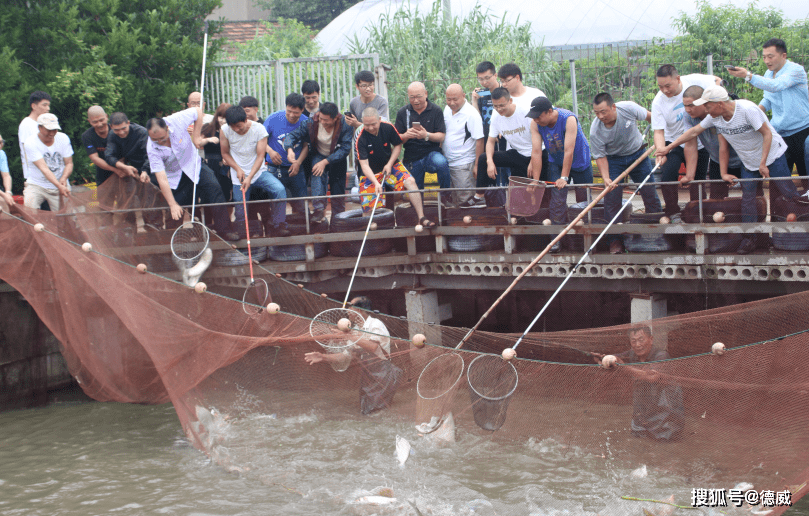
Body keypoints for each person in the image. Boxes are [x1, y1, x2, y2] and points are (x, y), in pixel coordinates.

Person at [658, 85, 800, 255]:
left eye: (708, 105)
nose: (706, 109)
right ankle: (750, 239)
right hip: (748, 161)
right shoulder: (714, 117)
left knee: (788, 193)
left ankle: (800, 232)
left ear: (719, 104)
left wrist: (763, 163)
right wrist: (669, 147)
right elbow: (694, 132)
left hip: (772, 155)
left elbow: (767, 134)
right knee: (748, 200)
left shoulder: (747, 109)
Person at [146, 107, 238, 240]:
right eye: (155, 140)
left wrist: (196, 136)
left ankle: (224, 230)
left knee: (214, 188)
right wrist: (172, 204)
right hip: (174, 175)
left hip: (193, 164)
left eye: (162, 138)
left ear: (167, 128)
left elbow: (197, 111)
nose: (160, 142)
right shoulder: (151, 148)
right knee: (176, 207)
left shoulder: (176, 120)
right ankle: (174, 239)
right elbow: (162, 178)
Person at [727, 38, 809, 187]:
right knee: (778, 180)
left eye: (770, 56)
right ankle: (782, 209)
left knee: (805, 177)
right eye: (764, 57)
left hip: (801, 130)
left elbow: (777, 86)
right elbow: (768, 99)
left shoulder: (795, 70)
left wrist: (748, 76)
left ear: (783, 55)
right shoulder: (768, 73)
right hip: (780, 133)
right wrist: (752, 115)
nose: (766, 60)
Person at [304, 296, 402, 415]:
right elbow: (346, 356)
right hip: (367, 376)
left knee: (377, 413)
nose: (347, 310)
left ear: (359, 310)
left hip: (383, 374)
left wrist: (347, 336)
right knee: (366, 412)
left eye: (350, 306)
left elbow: (373, 347)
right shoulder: (355, 330)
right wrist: (323, 357)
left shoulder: (375, 325)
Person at [590, 92, 661, 254]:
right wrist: (607, 178)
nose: (600, 116)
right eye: (596, 113)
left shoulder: (628, 108)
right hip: (614, 160)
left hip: (638, 155)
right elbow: (600, 157)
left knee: (649, 191)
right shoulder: (596, 130)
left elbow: (652, 118)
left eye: (603, 111)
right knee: (612, 199)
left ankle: (657, 232)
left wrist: (661, 137)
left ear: (613, 107)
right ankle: (615, 241)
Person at [593, 326, 684, 441]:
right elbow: (616, 357)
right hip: (643, 410)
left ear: (651, 339)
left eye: (641, 340)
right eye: (633, 341)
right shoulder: (632, 354)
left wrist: (622, 366)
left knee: (664, 442)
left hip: (665, 410)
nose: (637, 345)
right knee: (638, 441)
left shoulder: (661, 356)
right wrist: (602, 358)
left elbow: (652, 377)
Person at [652, 65, 718, 220]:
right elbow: (659, 131)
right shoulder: (658, 102)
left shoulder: (695, 80)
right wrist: (661, 151)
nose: (665, 90)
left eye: (668, 86)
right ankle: (672, 212)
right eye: (660, 87)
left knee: (697, 179)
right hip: (672, 142)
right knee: (668, 175)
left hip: (699, 141)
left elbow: (716, 81)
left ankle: (698, 213)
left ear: (678, 79)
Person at [528, 96, 593, 248]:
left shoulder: (568, 119)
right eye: (534, 117)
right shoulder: (535, 124)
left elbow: (569, 151)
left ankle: (585, 240)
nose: (536, 120)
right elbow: (536, 152)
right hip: (555, 161)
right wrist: (536, 180)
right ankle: (556, 240)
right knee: (557, 201)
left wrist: (564, 177)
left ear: (549, 111)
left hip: (579, 161)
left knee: (583, 201)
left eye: (539, 116)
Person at [356, 107, 435, 228]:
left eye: (373, 124)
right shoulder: (361, 138)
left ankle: (421, 217)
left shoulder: (388, 127)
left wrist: (389, 164)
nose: (370, 128)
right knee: (368, 209)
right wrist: (376, 182)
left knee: (410, 181)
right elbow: (364, 166)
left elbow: (398, 145)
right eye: (367, 125)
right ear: (362, 122)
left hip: (391, 165)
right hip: (370, 173)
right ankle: (368, 227)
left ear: (380, 119)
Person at [221, 105, 288, 237]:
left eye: (239, 126)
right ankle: (242, 232)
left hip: (258, 172)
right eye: (232, 127)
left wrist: (250, 177)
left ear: (245, 120)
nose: (236, 130)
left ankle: (278, 224)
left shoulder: (259, 129)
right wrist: (237, 169)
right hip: (238, 176)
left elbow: (260, 156)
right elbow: (225, 153)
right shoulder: (225, 130)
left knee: (279, 190)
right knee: (240, 208)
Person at [461, 87, 534, 209]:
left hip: (536, 155)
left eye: (502, 105)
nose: (499, 109)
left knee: (527, 196)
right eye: (496, 106)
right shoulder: (495, 115)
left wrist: (533, 161)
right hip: (517, 154)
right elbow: (489, 141)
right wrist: (490, 162)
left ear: (510, 101)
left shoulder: (525, 113)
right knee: (484, 158)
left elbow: (539, 143)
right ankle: (479, 196)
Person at [681, 86, 756, 200]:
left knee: (752, 196)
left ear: (704, 103)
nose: (687, 109)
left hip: (743, 159)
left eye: (691, 105)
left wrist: (724, 173)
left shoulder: (718, 114)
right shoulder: (688, 116)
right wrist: (689, 176)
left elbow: (723, 147)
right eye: (685, 105)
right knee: (716, 199)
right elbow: (690, 144)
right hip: (717, 161)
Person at [284, 102, 352, 221]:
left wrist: (326, 162)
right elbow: (292, 136)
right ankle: (319, 210)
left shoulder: (345, 124)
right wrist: (289, 149)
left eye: (326, 120)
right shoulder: (311, 122)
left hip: (337, 158)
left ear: (336, 118)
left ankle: (338, 223)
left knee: (338, 191)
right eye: (321, 118)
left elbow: (345, 149)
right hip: (319, 154)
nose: (322, 122)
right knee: (316, 172)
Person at [394, 82, 452, 206]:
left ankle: (445, 196)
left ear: (426, 94)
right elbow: (396, 139)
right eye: (412, 97)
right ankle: (419, 213)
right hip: (412, 155)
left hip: (432, 152)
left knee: (441, 164)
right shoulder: (403, 112)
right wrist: (406, 135)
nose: (415, 101)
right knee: (415, 191)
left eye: (419, 96)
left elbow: (441, 136)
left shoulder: (435, 110)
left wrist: (426, 135)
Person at [263, 93, 310, 218]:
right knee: (276, 203)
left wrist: (298, 163)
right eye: (289, 111)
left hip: (296, 169)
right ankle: (277, 226)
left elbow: (306, 145)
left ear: (302, 110)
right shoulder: (273, 119)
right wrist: (270, 151)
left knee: (301, 204)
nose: (292, 115)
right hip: (274, 168)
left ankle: (302, 228)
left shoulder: (306, 122)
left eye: (296, 112)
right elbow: (260, 140)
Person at [443, 84, 483, 206]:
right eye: (448, 99)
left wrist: (477, 165)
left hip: (464, 165)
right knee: (454, 202)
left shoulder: (471, 114)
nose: (452, 102)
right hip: (448, 163)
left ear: (463, 96)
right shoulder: (446, 109)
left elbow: (480, 140)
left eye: (455, 99)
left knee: (467, 201)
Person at [22, 114, 73, 211]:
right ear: (39, 127)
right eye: (49, 130)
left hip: (61, 184)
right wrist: (58, 185)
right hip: (36, 184)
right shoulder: (30, 142)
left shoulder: (63, 138)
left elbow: (69, 163)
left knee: (66, 216)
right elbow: (44, 169)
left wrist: (64, 177)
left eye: (55, 129)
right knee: (29, 207)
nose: (52, 133)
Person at [81, 106, 119, 187]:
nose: (99, 124)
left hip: (122, 166)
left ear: (106, 116)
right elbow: (94, 158)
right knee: (104, 198)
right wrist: (114, 170)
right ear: (89, 121)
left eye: (102, 120)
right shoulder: (87, 136)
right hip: (103, 171)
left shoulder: (117, 130)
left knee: (126, 198)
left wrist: (120, 168)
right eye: (95, 122)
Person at [18, 91, 51, 185]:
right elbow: (27, 150)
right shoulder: (26, 124)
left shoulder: (44, 124)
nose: (48, 108)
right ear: (34, 106)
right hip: (35, 176)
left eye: (48, 105)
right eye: (44, 105)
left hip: (49, 173)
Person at [201, 103, 232, 201]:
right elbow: (198, 143)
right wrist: (208, 140)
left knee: (226, 195)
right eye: (220, 117)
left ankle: (226, 216)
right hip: (209, 164)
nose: (222, 120)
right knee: (208, 195)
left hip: (225, 166)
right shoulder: (208, 128)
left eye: (225, 118)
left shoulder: (232, 131)